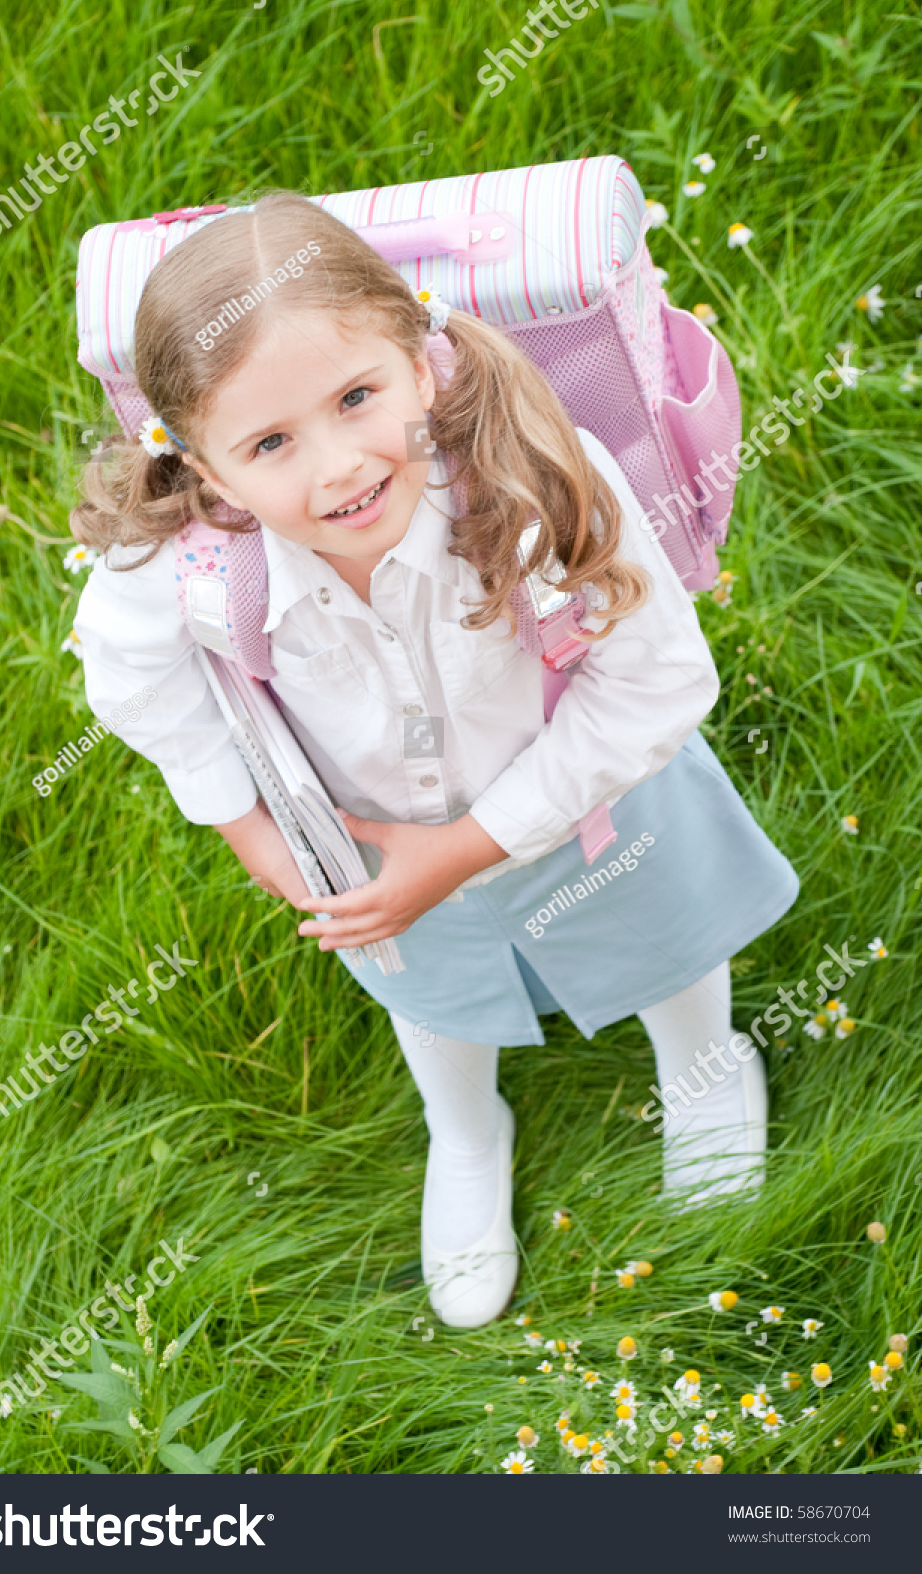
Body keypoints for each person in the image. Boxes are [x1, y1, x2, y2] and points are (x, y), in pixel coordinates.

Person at [73, 190, 799, 1329]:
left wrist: (466, 847)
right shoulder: (186, 564)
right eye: (269, 444)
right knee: (437, 997)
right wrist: (256, 836)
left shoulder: (531, 481)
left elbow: (659, 680)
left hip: (590, 795)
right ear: (207, 474)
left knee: (665, 940)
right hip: (375, 839)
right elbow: (133, 685)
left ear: (423, 363)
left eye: (357, 397)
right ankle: (466, 1134)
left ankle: (706, 1066)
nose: (337, 469)